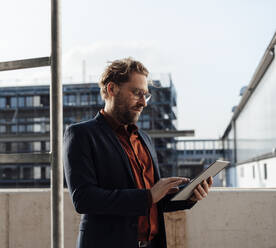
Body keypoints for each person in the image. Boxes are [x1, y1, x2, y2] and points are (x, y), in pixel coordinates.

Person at [63, 58, 213, 248]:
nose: (144, 102)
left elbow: (152, 202)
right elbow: (84, 199)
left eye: (146, 95)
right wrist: (148, 196)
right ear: (111, 89)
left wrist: (188, 197)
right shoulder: (81, 134)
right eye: (137, 93)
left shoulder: (144, 139)